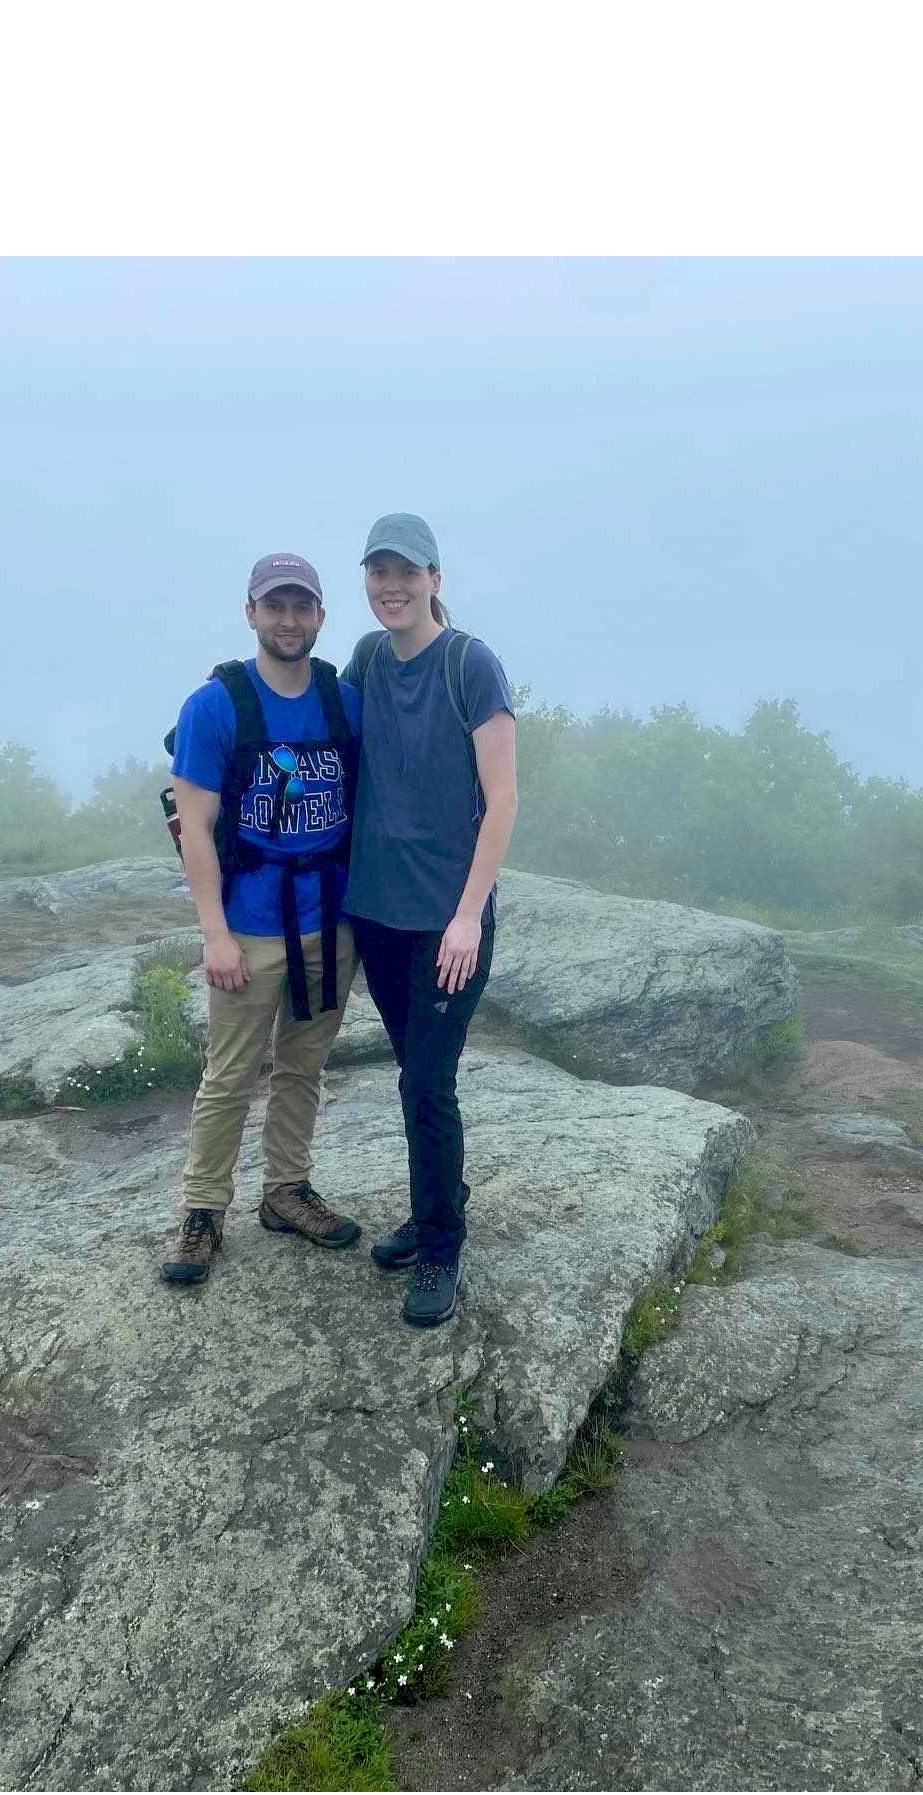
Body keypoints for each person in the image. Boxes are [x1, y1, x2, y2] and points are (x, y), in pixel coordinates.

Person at [160, 551, 364, 1286]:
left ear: (319, 615)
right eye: (274, 606)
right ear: (250, 612)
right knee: (231, 1074)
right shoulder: (214, 706)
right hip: (248, 924)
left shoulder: (345, 701)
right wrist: (213, 932)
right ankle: (202, 1212)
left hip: (329, 922)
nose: (288, 619)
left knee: (303, 1067)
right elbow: (196, 826)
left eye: (301, 606)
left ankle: (286, 1191)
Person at [341, 513, 519, 1328]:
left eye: (407, 572)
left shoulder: (470, 666)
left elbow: (504, 800)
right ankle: (430, 1205)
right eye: (379, 572)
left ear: (436, 580)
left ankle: (442, 1246)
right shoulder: (369, 658)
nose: (392, 586)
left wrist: (469, 916)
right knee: (414, 1075)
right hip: (377, 913)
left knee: (428, 1083)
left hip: (447, 924)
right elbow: (318, 728)